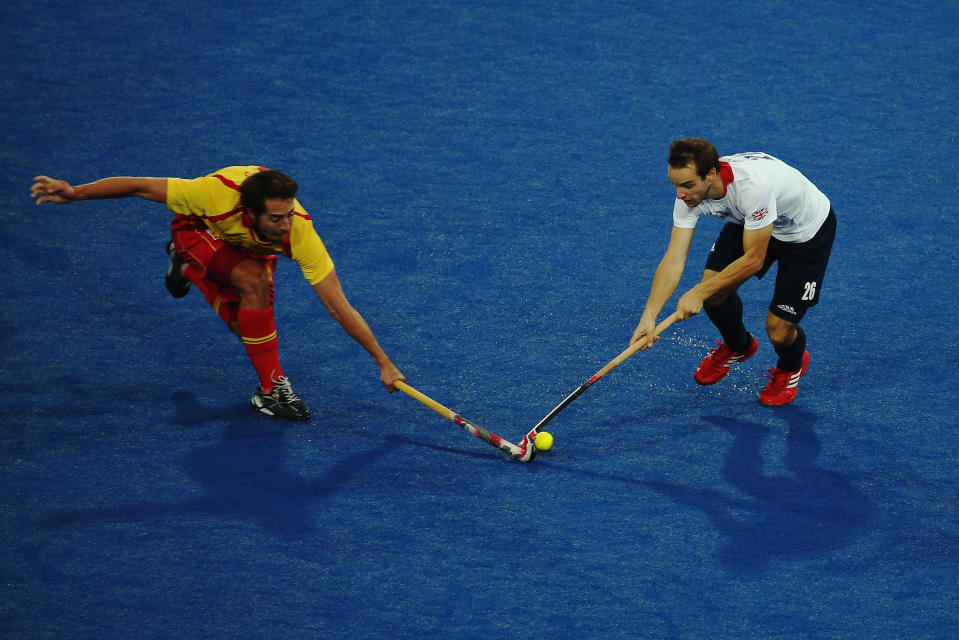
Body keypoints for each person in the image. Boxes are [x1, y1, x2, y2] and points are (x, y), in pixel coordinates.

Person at [31, 166, 405, 420]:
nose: (286, 224)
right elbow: (138, 185)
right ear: (249, 212)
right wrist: (75, 193)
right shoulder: (212, 195)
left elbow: (339, 307)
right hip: (198, 231)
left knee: (248, 328)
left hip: (246, 248)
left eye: (288, 214)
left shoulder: (298, 232)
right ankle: (272, 389)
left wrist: (383, 362)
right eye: (276, 218)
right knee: (254, 283)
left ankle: (189, 271)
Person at [631, 139, 836, 405]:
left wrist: (697, 292)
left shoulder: (752, 188)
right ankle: (739, 345)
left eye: (687, 185)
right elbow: (674, 258)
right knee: (715, 292)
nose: (680, 194)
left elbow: (754, 260)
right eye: (676, 185)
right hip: (750, 220)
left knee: (778, 328)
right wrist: (649, 315)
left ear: (711, 174)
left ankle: (790, 367)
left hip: (804, 234)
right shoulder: (689, 195)